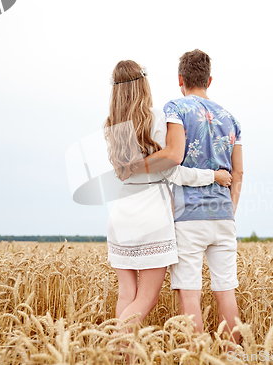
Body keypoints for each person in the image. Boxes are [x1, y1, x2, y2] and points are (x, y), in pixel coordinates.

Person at [103, 60, 232, 328]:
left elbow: (123, 171)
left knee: (127, 294)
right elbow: (175, 169)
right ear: (143, 83)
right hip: (152, 210)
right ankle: (110, 343)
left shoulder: (111, 125)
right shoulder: (158, 118)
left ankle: (125, 358)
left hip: (121, 211)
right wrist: (214, 176)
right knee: (147, 300)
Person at [163, 49, 243, 343]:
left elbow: (172, 161)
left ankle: (197, 356)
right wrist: (229, 210)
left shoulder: (175, 108)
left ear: (180, 79)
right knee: (225, 291)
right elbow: (239, 173)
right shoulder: (231, 118)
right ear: (209, 79)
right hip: (224, 215)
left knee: (190, 293)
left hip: (188, 218)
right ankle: (236, 356)